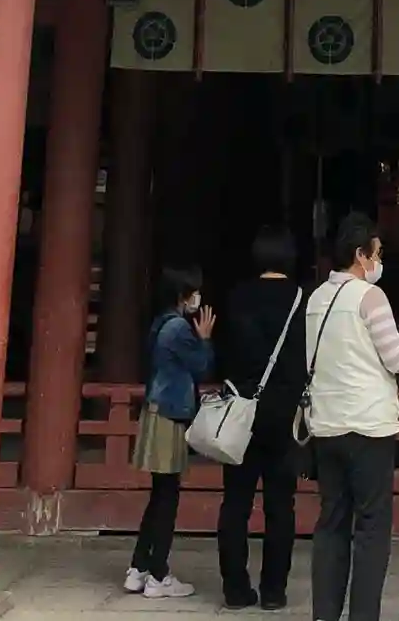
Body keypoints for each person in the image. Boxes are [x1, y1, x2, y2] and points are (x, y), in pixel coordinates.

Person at [304, 211, 399, 621]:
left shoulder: (316, 299)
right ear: (360, 254)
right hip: (368, 428)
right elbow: (397, 358)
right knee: (370, 529)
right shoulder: (370, 297)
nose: (379, 261)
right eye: (377, 253)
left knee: (331, 524)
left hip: (326, 426)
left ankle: (324, 615)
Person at [216, 225, 309, 610]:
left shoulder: (237, 296)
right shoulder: (302, 299)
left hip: (241, 411)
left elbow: (224, 353)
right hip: (284, 415)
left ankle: (235, 588)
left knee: (235, 503)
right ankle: (273, 591)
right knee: (280, 506)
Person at [125, 261, 216, 600]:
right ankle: (158, 575)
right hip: (170, 415)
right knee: (167, 498)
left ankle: (139, 568)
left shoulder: (160, 323)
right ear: (183, 294)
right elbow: (201, 367)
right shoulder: (178, 328)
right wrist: (204, 340)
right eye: (195, 292)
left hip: (156, 411)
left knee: (159, 495)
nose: (198, 298)